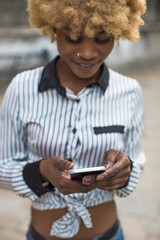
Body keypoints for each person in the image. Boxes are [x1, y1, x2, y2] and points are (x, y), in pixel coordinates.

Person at [0, 0, 147, 239]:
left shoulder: (129, 91)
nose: (87, 53)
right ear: (54, 28)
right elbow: (2, 165)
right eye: (73, 37)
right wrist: (41, 172)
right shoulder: (22, 87)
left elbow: (136, 162)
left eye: (102, 38)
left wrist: (124, 171)